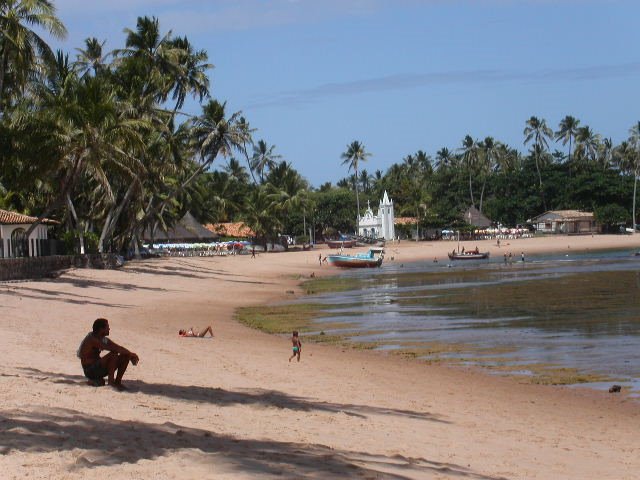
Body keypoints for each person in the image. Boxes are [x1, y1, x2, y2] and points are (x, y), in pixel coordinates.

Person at [77, 318, 139, 391]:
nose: (109, 329)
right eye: (107, 327)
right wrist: (132, 355)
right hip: (90, 370)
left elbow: (118, 347)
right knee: (113, 354)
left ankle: (117, 382)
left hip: (98, 368)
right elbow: (113, 349)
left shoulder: (102, 338)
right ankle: (111, 382)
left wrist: (130, 354)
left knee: (125, 355)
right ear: (101, 329)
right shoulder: (92, 339)